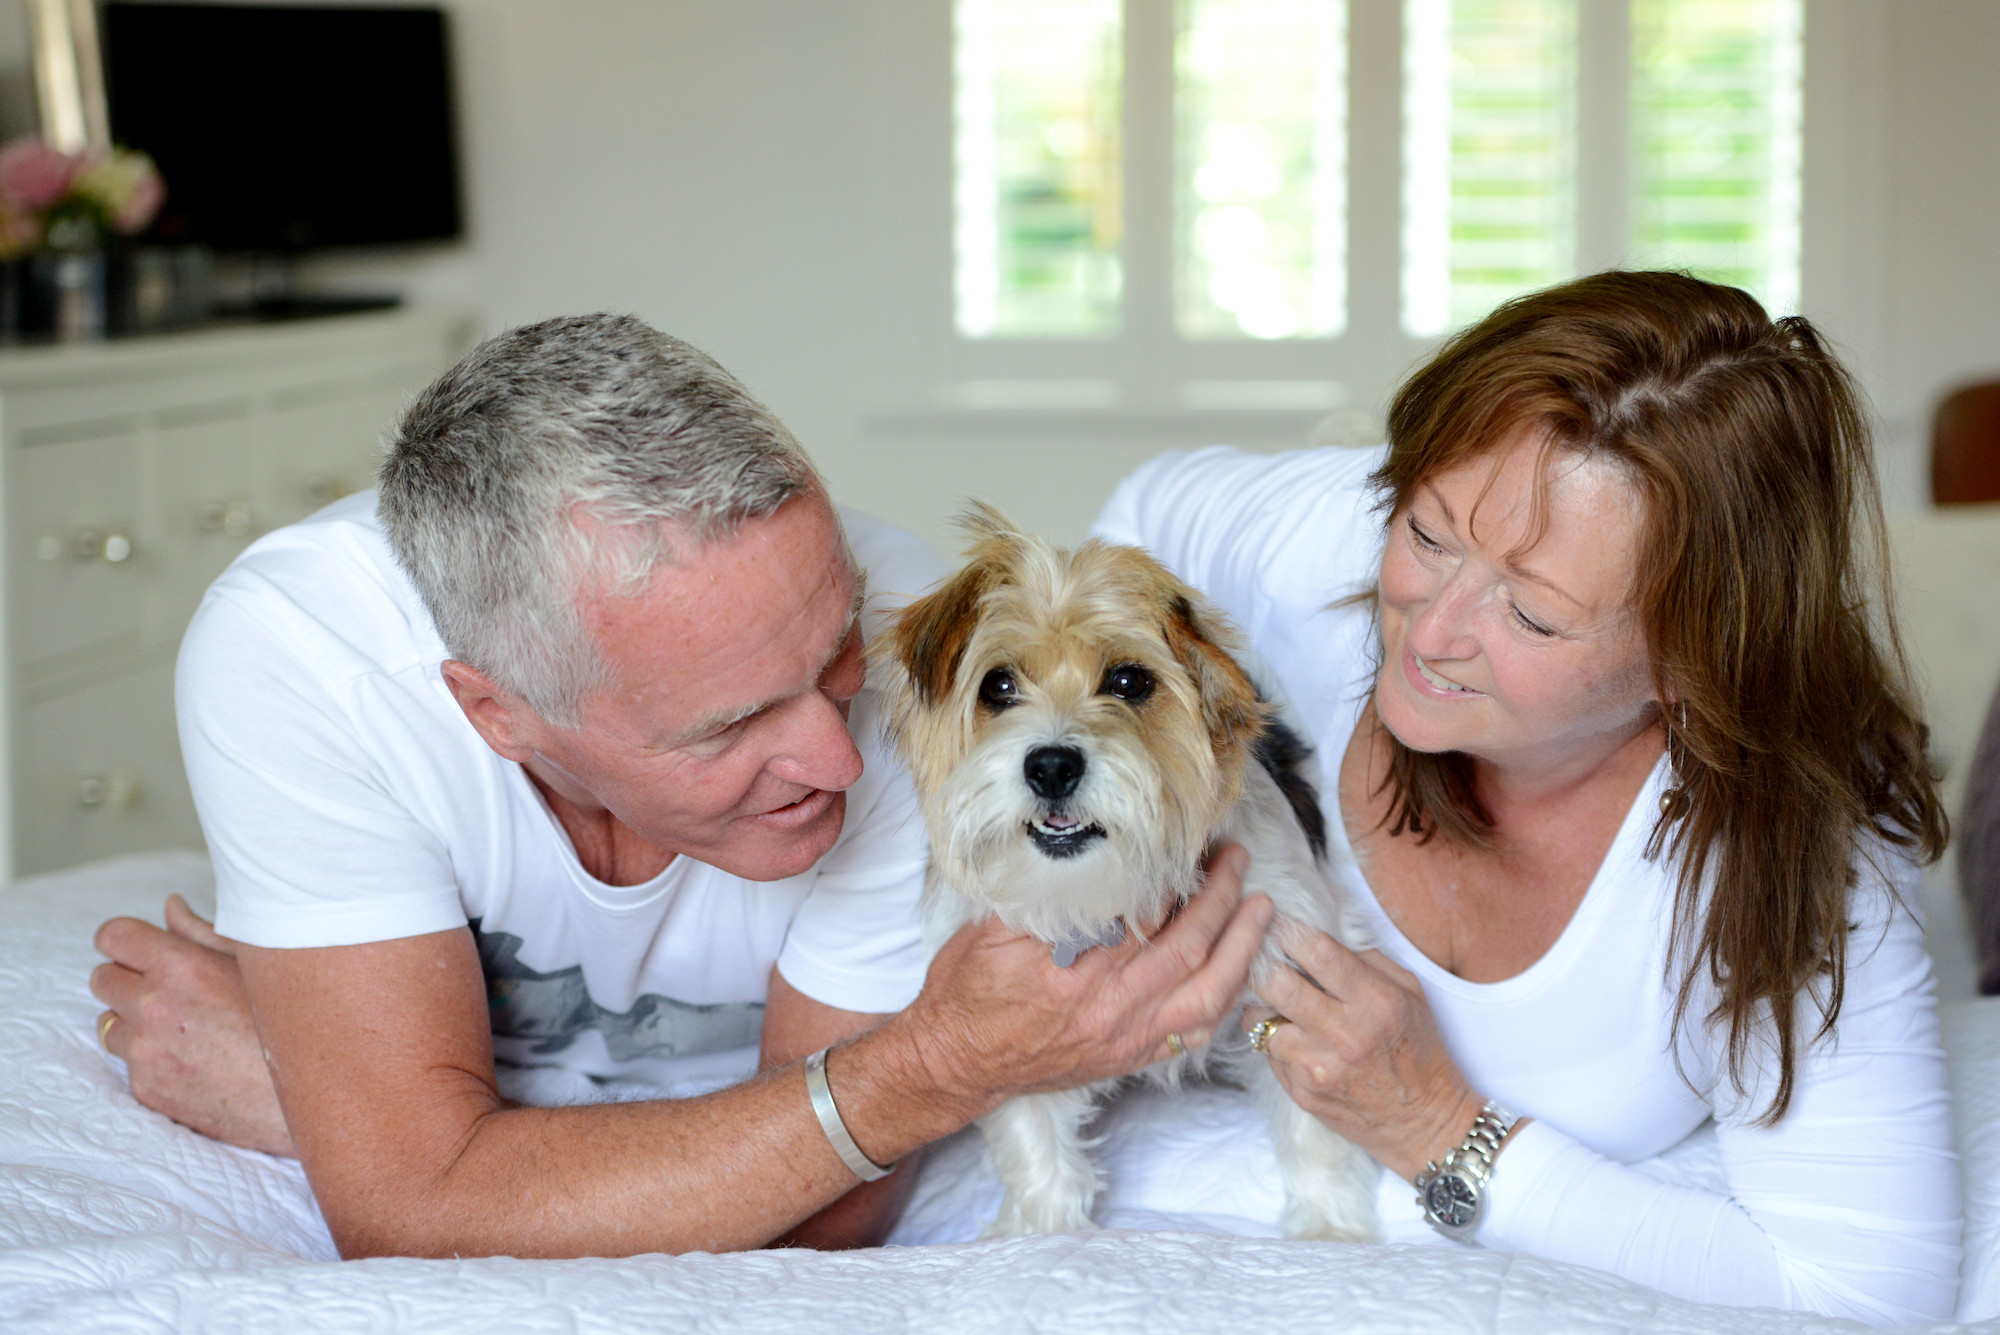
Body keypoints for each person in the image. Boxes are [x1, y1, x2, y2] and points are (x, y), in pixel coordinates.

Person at [88, 313, 1270, 1260]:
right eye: (734, 723)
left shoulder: (935, 659)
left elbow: (827, 1211)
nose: (841, 760)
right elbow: (406, 1213)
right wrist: (419, 1163)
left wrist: (331, 1105)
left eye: (829, 666)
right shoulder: (304, 659)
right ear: (496, 711)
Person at [1092, 271, 1960, 1325]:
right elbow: (1135, 524)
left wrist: (1438, 1126)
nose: (1429, 628)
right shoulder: (1328, 544)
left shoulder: (1798, 842)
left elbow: (1868, 1289)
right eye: (1425, 535)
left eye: (1533, 616)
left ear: (1693, 663)